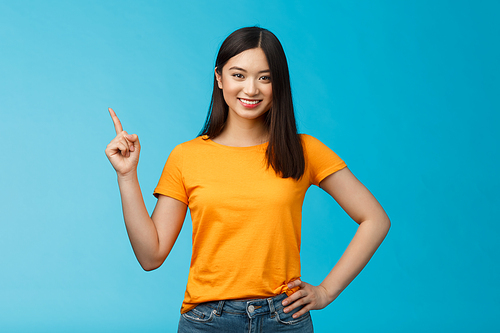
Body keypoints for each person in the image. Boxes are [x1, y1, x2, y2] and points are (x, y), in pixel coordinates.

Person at [105, 26, 390, 332]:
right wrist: (127, 176)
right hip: (208, 321)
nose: (251, 89)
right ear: (219, 78)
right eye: (238, 75)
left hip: (284, 319)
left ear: (277, 83)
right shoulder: (187, 156)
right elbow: (151, 255)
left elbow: (375, 219)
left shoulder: (303, 150)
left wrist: (326, 291)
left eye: (264, 77)